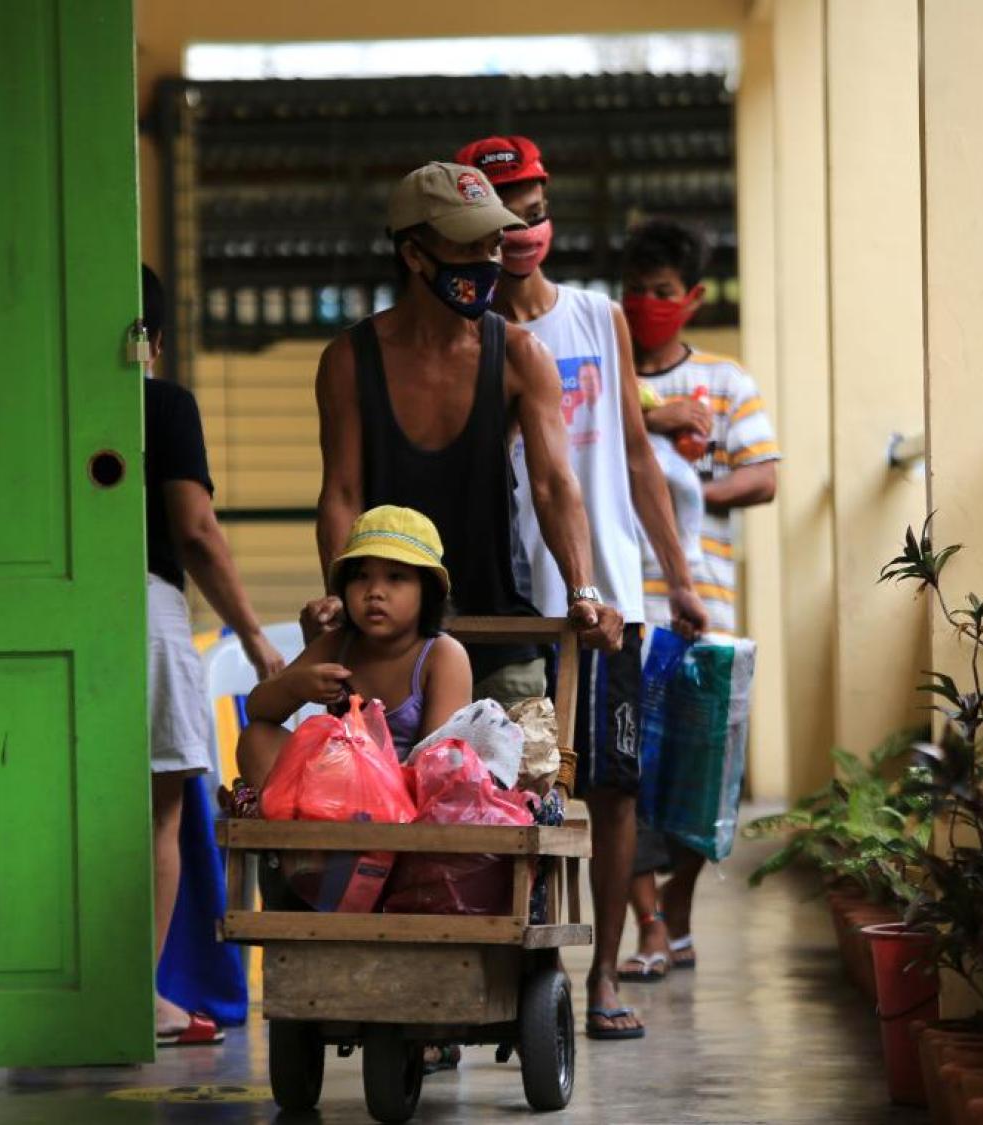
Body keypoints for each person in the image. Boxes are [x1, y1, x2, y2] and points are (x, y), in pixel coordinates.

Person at [454, 135, 710, 1042]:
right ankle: (522, 975)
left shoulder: (599, 319)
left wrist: (675, 576)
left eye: (532, 198)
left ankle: (602, 973)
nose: (523, 218)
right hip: (517, 603)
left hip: (612, 606)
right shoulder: (471, 336)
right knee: (516, 791)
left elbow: (637, 457)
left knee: (614, 789)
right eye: (503, 201)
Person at [304, 162, 623, 701]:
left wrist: (583, 590)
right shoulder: (349, 361)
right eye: (468, 246)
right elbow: (342, 492)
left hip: (502, 632)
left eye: (493, 245)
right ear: (413, 254)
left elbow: (553, 485)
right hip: (387, 647)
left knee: (519, 781)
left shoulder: (521, 356)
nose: (487, 263)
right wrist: (339, 596)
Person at [616, 217, 781, 981]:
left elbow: (765, 475)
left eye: (662, 291)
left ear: (694, 297)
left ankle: (675, 911)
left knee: (699, 776)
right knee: (627, 782)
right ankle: (650, 926)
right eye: (635, 291)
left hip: (702, 608)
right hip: (623, 610)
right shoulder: (610, 382)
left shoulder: (725, 381)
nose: (647, 303)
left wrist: (681, 488)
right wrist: (651, 426)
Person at [141, 263, 285, 1045]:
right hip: (142, 609)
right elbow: (195, 531)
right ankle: (136, 996)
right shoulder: (162, 404)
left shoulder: (26, 404)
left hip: (36, 613)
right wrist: (256, 634)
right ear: (154, 341)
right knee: (160, 811)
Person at [237, 505, 472, 783]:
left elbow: (436, 763)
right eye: (361, 577)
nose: (374, 592)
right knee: (256, 739)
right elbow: (256, 710)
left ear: (428, 591)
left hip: (408, 800)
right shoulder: (338, 644)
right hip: (338, 789)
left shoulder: (442, 655)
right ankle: (300, 821)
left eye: (395, 577)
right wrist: (294, 686)